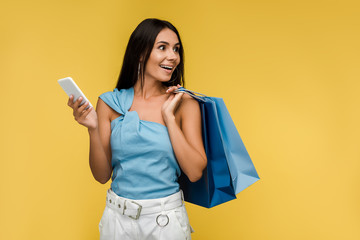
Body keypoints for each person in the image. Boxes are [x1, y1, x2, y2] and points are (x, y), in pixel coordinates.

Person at [67, 18, 207, 240]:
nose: (173, 56)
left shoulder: (185, 104)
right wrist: (92, 128)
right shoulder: (110, 103)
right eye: (163, 47)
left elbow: (195, 171)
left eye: (176, 49)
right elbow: (102, 175)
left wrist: (169, 118)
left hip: (166, 222)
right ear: (140, 53)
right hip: (117, 221)